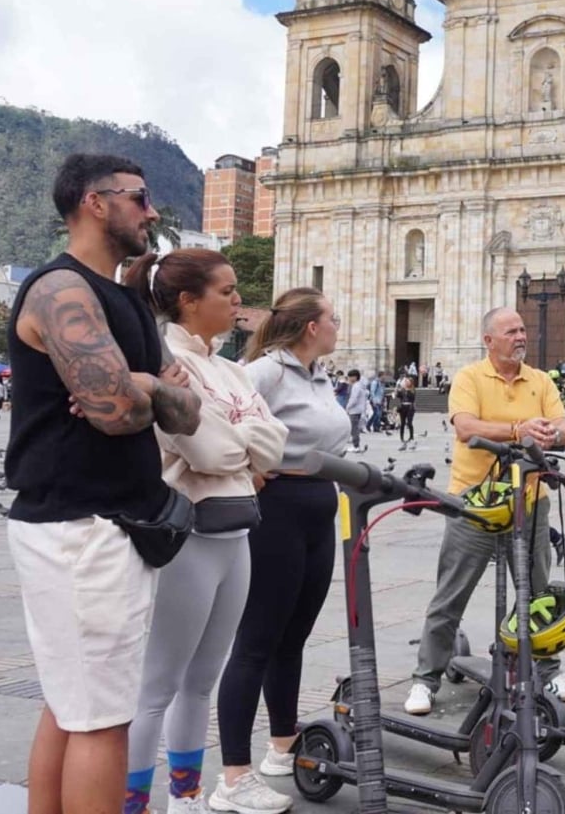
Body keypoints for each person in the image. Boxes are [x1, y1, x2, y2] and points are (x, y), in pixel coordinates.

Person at [4, 154, 203, 814]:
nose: (152, 211)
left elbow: (189, 410)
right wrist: (140, 389)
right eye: (139, 198)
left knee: (71, 704)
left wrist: (137, 383)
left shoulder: (124, 301)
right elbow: (117, 413)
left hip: (109, 524)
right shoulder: (60, 290)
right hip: (80, 527)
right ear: (95, 202)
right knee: (101, 718)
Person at [120, 250, 288, 814]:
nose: (238, 300)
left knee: (201, 683)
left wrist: (236, 440)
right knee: (158, 686)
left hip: (236, 531)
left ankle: (186, 796)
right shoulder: (168, 364)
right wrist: (244, 442)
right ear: (189, 301)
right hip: (187, 536)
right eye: (226, 290)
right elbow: (207, 449)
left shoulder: (231, 368)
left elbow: (274, 442)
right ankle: (134, 804)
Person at [404, 307, 565, 717]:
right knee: (451, 594)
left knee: (537, 594)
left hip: (530, 501)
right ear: (489, 340)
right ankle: (425, 679)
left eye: (523, 329)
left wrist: (552, 432)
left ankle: (548, 670)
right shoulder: (469, 378)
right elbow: (466, 427)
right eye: (511, 331)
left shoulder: (540, 380)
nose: (521, 336)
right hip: (475, 504)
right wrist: (519, 430)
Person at [214, 288, 350, 814]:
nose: (337, 325)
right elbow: (216, 415)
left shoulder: (318, 376)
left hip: (319, 506)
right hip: (278, 511)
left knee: (293, 636)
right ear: (311, 327)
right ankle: (233, 775)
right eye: (332, 318)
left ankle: (282, 743)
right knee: (256, 641)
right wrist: (244, 466)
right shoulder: (266, 371)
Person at [344, 369, 369, 454]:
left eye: (350, 377)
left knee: (354, 428)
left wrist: (347, 407)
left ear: (354, 377)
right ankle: (356, 445)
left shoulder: (356, 386)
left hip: (354, 410)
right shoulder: (360, 385)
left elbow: (353, 399)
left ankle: (356, 446)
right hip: (358, 409)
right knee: (355, 428)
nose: (349, 378)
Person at [396, 374, 417, 449]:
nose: (406, 383)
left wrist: (407, 390)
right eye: (406, 382)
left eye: (408, 382)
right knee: (402, 423)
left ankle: (411, 436)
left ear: (411, 383)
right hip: (403, 407)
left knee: (409, 423)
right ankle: (401, 437)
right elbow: (398, 396)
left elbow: (412, 397)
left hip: (410, 407)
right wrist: (398, 390)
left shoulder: (412, 390)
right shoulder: (402, 390)